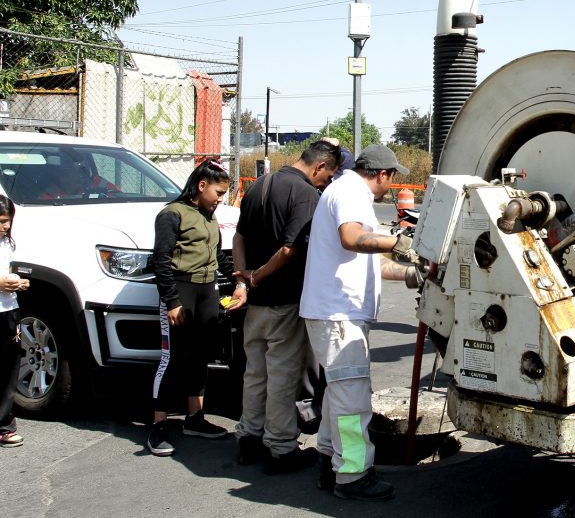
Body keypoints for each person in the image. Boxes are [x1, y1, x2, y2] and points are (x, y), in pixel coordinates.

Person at [300, 144, 423, 501]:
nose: (390, 184)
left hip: (336, 312)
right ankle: (353, 474)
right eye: (392, 177)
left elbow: (370, 262)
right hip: (339, 315)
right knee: (353, 399)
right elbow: (353, 239)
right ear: (383, 174)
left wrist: (414, 274)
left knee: (338, 394)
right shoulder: (351, 192)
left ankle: (328, 459)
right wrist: (399, 241)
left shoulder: (346, 193)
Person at [228, 139, 342, 474]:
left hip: (257, 306)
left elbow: (238, 237)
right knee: (282, 376)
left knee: (255, 372)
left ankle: (248, 437)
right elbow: (291, 249)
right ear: (319, 166)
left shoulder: (261, 184)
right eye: (328, 176)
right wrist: (258, 276)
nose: (326, 183)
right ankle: (280, 448)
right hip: (284, 301)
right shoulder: (305, 193)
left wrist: (243, 281)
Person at [147, 159, 235, 456]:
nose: (222, 198)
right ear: (201, 185)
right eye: (219, 192)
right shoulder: (172, 214)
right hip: (181, 291)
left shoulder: (210, 216)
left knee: (200, 357)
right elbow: (161, 261)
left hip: (206, 292)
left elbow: (218, 258)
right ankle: (158, 425)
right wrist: (172, 301)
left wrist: (241, 278)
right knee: (171, 358)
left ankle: (194, 419)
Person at [0, 195, 31, 448]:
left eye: (8, 221)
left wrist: (19, 283)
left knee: (9, 366)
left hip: (9, 309)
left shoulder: (8, 243)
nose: (5, 226)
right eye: (0, 221)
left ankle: (5, 424)